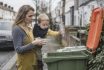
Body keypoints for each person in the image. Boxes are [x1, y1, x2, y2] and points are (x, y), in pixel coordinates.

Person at [12, 5, 46, 70]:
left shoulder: (29, 28)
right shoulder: (17, 29)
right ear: (22, 15)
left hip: (34, 63)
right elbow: (18, 49)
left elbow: (30, 44)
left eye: (32, 16)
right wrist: (34, 43)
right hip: (25, 66)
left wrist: (38, 43)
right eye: (30, 16)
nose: (32, 18)